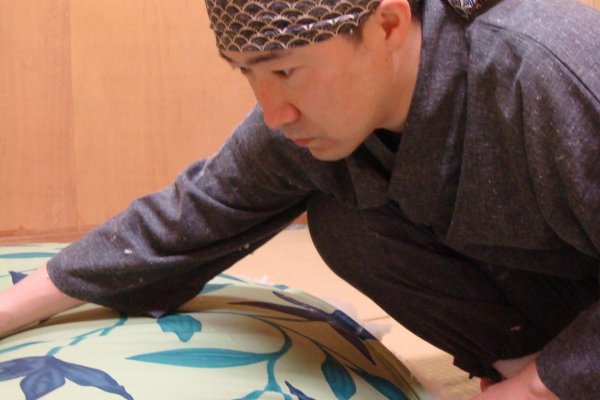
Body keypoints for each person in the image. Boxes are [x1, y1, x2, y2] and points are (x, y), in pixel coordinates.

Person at [1, 0, 599, 398]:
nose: (273, 112)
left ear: (388, 24)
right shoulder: (312, 123)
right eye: (247, 74)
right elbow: (188, 216)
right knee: (347, 222)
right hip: (556, 309)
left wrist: (538, 388)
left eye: (286, 72)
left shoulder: (542, 72)